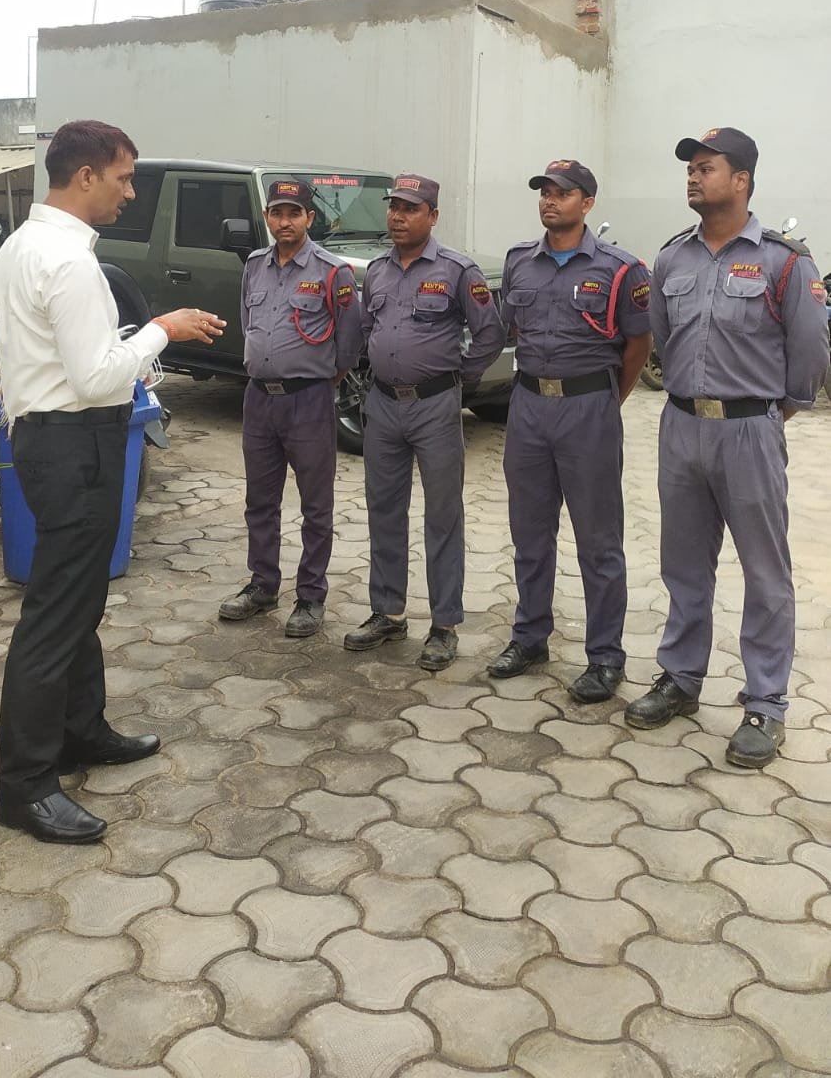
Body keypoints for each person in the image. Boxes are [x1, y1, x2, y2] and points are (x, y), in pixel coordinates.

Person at [0, 120, 225, 843]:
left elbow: (70, 359)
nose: (130, 192)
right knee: (56, 615)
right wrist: (163, 329)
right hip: (76, 443)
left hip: (49, 438)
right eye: (123, 178)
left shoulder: (22, 245)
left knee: (78, 596)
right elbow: (95, 378)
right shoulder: (66, 260)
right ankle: (26, 787)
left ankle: (80, 730)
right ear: (85, 176)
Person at [625, 127, 829, 765]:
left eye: (706, 167)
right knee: (684, 563)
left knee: (765, 572)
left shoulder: (784, 262)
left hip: (749, 430)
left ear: (741, 180)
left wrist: (772, 412)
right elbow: (662, 336)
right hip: (682, 424)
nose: (693, 176)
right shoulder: (672, 259)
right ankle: (681, 678)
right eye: (690, 168)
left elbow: (810, 353)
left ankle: (766, 704)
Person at [490, 159, 652, 702]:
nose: (550, 200)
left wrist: (604, 399)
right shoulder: (520, 262)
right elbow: (511, 329)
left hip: (588, 411)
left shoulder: (621, 269)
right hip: (528, 407)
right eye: (544, 191)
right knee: (530, 533)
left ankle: (605, 657)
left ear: (587, 203)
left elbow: (638, 345)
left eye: (562, 193)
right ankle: (530, 637)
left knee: (598, 541)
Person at [344, 173, 505, 671]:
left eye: (410, 208)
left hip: (435, 408)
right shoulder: (377, 271)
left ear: (432, 216)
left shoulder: (457, 270)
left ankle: (444, 624)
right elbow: (367, 327)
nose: (397, 216)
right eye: (394, 206)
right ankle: (388, 612)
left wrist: (460, 379)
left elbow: (489, 333)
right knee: (383, 509)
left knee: (442, 515)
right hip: (383, 406)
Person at [218, 179, 362, 637]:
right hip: (259, 399)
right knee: (260, 501)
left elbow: (349, 342)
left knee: (316, 505)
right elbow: (248, 323)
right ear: (267, 217)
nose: (285, 222)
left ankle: (311, 595)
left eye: (294, 213)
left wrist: (321, 378)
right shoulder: (255, 266)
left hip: (309, 401)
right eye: (277, 213)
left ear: (309, 218)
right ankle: (262, 585)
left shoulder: (333, 272)